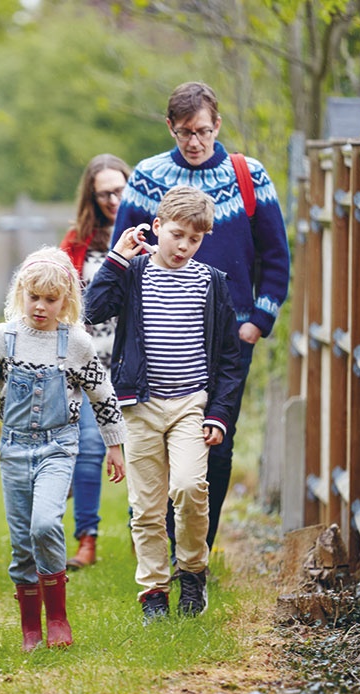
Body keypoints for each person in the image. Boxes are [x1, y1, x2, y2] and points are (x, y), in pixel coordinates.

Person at [112, 82, 290, 554]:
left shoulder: (249, 176)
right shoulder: (148, 177)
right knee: (156, 446)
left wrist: (257, 322)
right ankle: (160, 545)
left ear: (218, 127)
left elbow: (276, 258)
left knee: (216, 441)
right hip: (157, 337)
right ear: (170, 127)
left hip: (228, 338)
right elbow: (122, 254)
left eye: (204, 131)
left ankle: (196, 551)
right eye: (185, 132)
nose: (195, 142)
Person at [0, 246, 126, 651]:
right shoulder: (3, 338)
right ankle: (30, 627)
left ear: (67, 302)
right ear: (21, 294)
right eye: (34, 297)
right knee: (24, 540)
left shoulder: (76, 342)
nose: (40, 307)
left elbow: (102, 394)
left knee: (45, 524)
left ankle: (57, 616)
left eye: (51, 299)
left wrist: (115, 446)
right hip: (14, 449)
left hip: (59, 447)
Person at [87, 186, 243, 621]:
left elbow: (230, 359)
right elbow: (92, 311)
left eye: (194, 239)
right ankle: (153, 592)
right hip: (140, 406)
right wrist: (117, 258)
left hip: (191, 406)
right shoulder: (134, 273)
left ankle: (192, 573)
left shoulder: (211, 282)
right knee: (147, 507)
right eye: (176, 235)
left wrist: (219, 414)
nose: (183, 246)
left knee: (191, 487)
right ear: (156, 228)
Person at [59, 153, 131, 571]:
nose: (112, 200)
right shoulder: (77, 242)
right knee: (88, 448)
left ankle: (151, 537)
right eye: (103, 193)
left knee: (145, 455)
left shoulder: (147, 234)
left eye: (119, 191)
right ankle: (87, 538)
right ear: (92, 195)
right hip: (87, 365)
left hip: (134, 363)